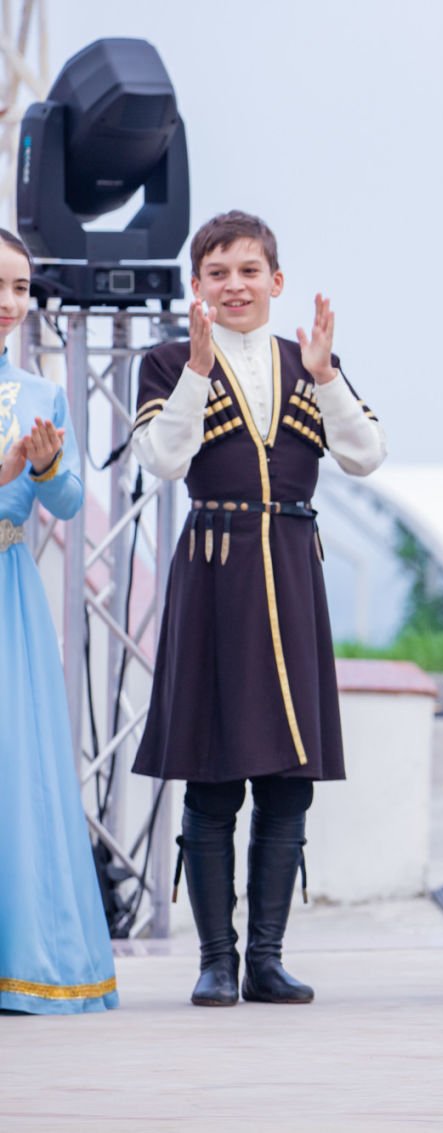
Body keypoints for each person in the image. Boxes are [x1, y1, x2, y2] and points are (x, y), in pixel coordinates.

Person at [130, 210, 387, 1007]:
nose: (235, 286)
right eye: (218, 273)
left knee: (288, 782)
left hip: (292, 567)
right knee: (212, 776)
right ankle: (216, 958)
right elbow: (163, 459)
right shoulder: (168, 360)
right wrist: (197, 372)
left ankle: (266, 959)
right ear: (196, 286)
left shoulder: (309, 360)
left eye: (249, 271)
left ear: (276, 280)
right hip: (215, 570)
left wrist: (328, 375)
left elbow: (366, 455)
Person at [0, 227, 119, 1015]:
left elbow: (70, 501)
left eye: (20, 288)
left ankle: (23, 960)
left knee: (16, 768)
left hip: (9, 594)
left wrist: (44, 467)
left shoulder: (41, 394)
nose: (10, 302)